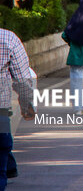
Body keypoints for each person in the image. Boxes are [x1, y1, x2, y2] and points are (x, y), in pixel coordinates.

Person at [0, 29, 35, 189]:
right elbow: (22, 79)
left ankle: (10, 165)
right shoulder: (7, 38)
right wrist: (26, 104)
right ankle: (9, 166)